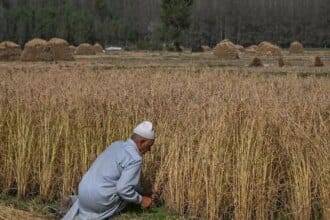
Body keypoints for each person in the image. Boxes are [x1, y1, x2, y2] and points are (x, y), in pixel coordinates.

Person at [63, 121, 155, 220]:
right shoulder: (135, 158)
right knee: (125, 197)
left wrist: (141, 192)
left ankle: (75, 202)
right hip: (99, 201)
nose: (149, 150)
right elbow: (123, 189)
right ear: (142, 142)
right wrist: (142, 200)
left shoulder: (116, 145)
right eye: (149, 146)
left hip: (82, 193)